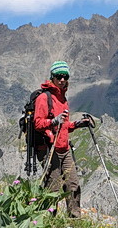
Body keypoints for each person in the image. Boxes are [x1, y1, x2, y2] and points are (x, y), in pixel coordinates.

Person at [33, 60, 91, 218]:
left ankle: (74, 219)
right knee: (53, 187)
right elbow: (38, 123)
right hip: (49, 149)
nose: (62, 79)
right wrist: (53, 121)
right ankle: (48, 220)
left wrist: (77, 124)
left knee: (73, 184)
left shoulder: (63, 98)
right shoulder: (44, 98)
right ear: (52, 77)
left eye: (65, 76)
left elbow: (63, 126)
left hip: (64, 148)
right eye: (59, 76)